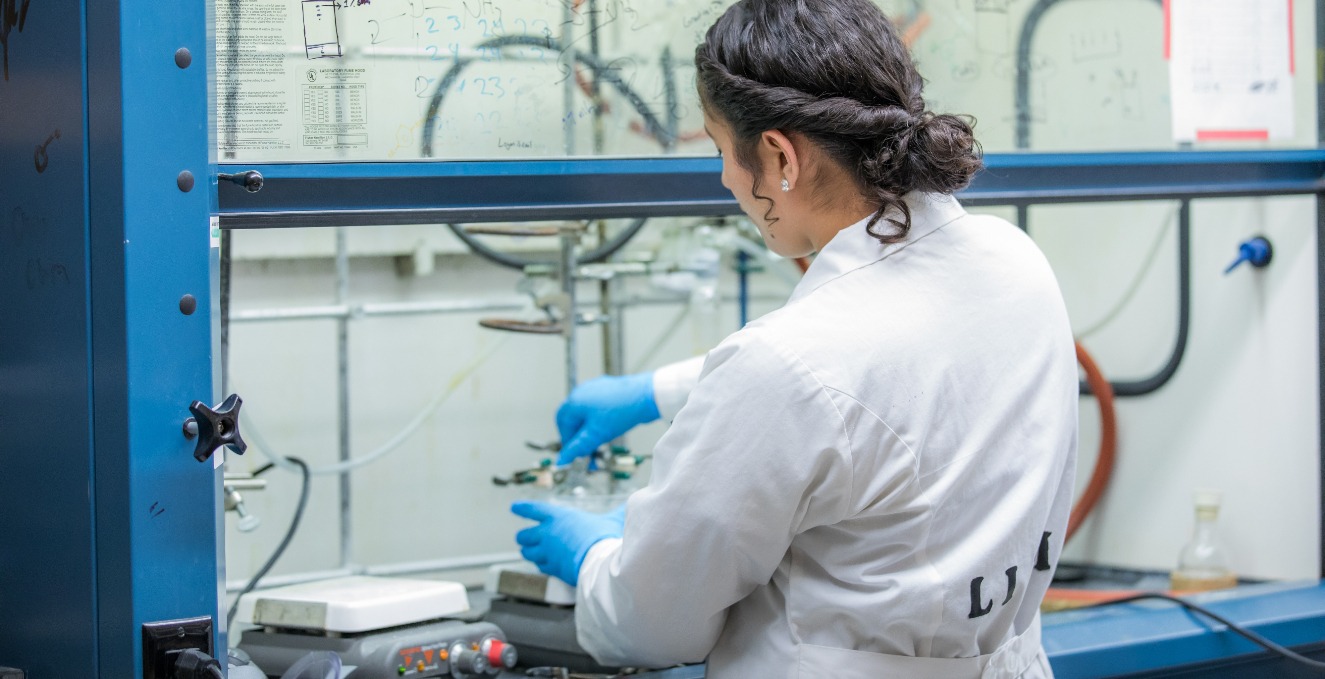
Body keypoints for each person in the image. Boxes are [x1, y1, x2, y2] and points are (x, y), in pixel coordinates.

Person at [511, 1, 1078, 676]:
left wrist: (597, 558)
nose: (724, 177)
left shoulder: (788, 365)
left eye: (722, 149)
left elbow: (650, 629)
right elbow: (882, 370)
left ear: (779, 154)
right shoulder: (1012, 261)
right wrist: (655, 392)